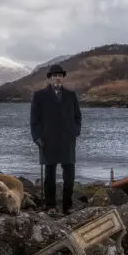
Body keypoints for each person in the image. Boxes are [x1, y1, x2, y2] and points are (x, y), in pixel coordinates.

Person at [30, 64, 82, 216]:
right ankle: (50, 205)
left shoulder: (71, 95)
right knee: (50, 175)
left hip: (68, 141)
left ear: (63, 77)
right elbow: (34, 120)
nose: (57, 78)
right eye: (54, 75)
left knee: (69, 175)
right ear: (50, 78)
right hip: (47, 141)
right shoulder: (39, 96)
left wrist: (76, 131)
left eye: (60, 75)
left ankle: (67, 206)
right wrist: (37, 137)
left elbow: (77, 116)